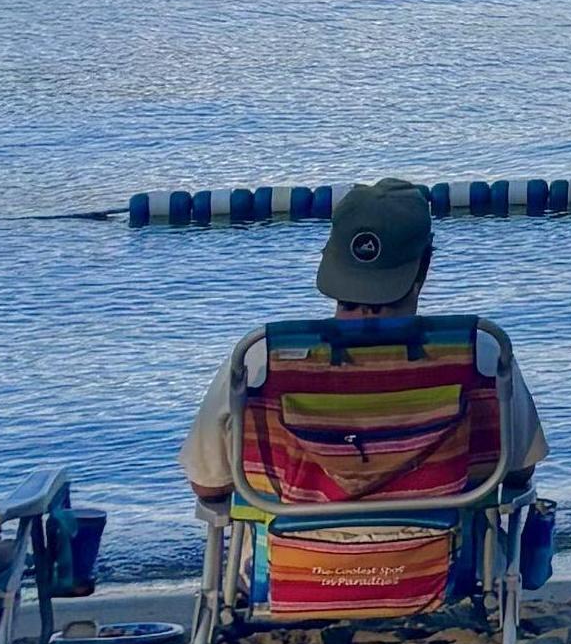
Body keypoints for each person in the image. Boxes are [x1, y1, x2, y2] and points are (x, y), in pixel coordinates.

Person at [183, 177, 548, 508]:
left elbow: (209, 487)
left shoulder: (262, 359)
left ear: (331, 262)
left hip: (291, 572)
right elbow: (518, 472)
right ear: (425, 266)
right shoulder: (480, 353)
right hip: (442, 569)